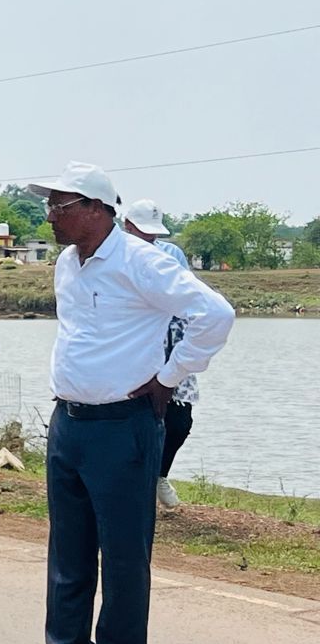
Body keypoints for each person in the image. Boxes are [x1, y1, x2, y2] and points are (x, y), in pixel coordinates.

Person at [12, 162, 233, 644]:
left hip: (123, 427)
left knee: (125, 552)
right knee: (69, 547)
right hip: (70, 422)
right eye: (50, 206)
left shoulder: (141, 261)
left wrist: (169, 376)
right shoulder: (68, 263)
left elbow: (215, 314)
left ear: (96, 209)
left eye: (59, 206)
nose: (50, 216)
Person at [122, 199, 198, 509]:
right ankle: (132, 480)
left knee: (180, 418)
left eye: (154, 233)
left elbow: (188, 295)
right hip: (136, 342)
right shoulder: (118, 255)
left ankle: (158, 475)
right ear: (127, 226)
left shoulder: (172, 254)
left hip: (173, 339)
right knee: (135, 411)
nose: (150, 238)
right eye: (144, 232)